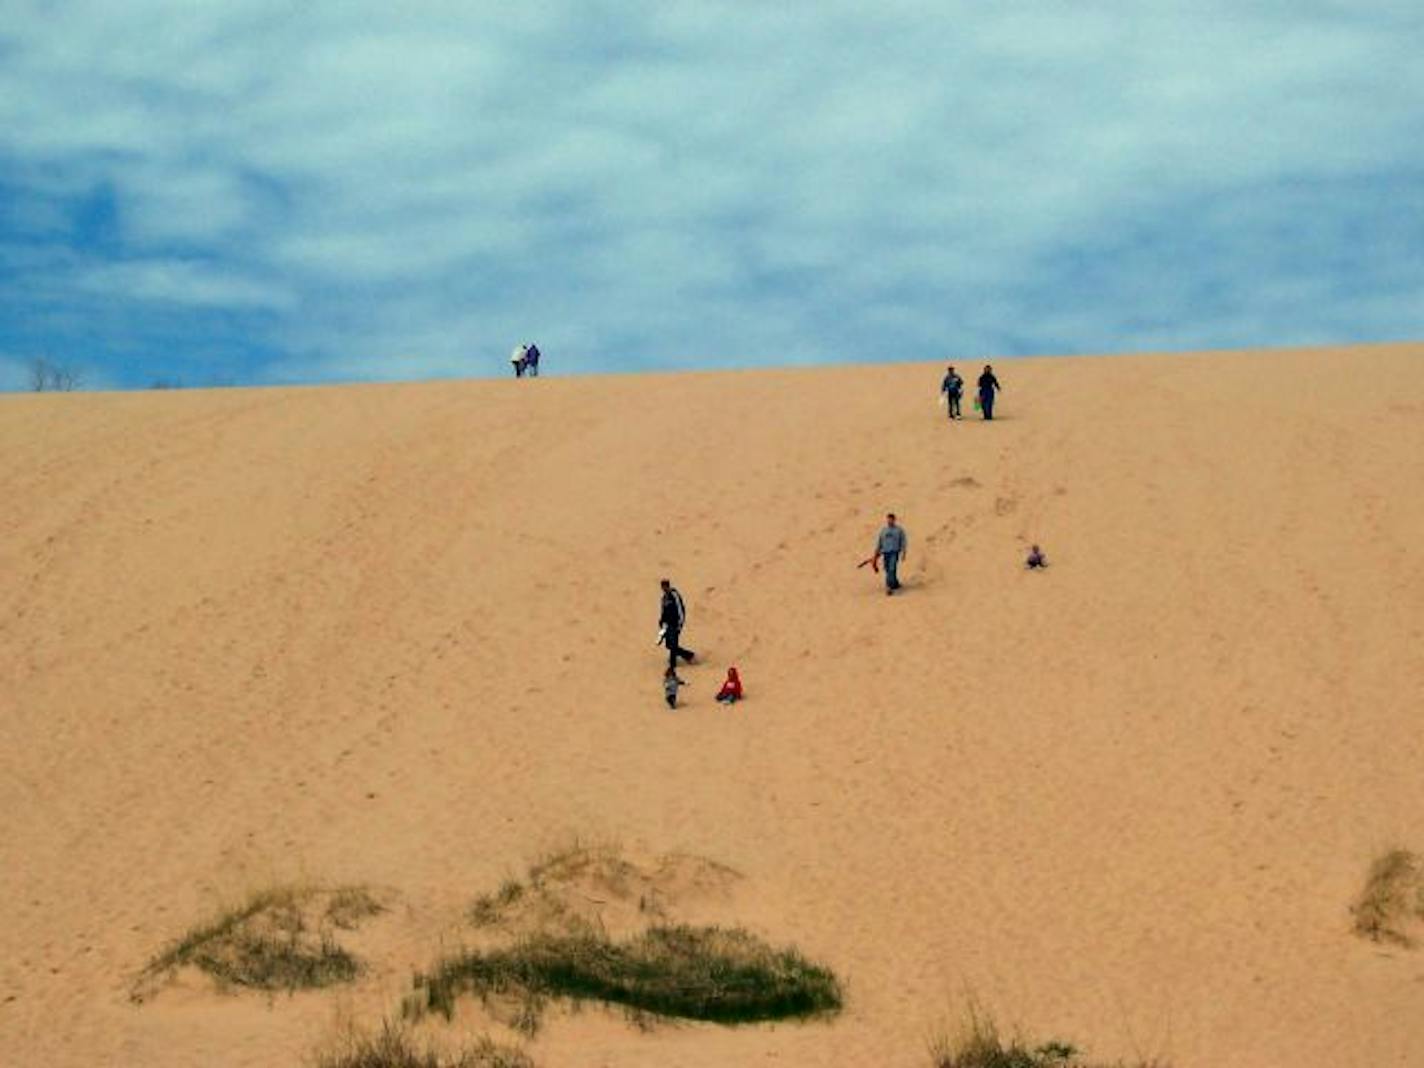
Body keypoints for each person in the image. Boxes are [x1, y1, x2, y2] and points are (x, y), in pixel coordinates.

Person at [659, 578, 695, 668]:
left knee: (673, 644)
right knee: (668, 645)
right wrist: (661, 622)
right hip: (667, 625)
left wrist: (680, 624)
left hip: (675, 624)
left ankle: (673, 664)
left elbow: (680, 609)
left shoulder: (674, 595)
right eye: (662, 587)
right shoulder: (664, 598)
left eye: (665, 587)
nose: (664, 589)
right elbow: (663, 612)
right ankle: (688, 655)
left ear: (668, 586)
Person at [873, 513, 907, 595]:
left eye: (891, 519)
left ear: (894, 520)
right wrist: (876, 552)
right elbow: (879, 542)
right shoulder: (883, 531)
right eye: (888, 519)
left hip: (894, 553)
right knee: (888, 569)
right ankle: (895, 583)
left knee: (891, 569)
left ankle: (889, 587)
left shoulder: (899, 530)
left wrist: (904, 552)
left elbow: (903, 542)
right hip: (885, 553)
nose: (889, 521)